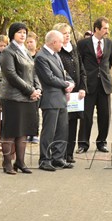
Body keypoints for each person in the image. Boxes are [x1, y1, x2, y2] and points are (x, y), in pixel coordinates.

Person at [0, 23, 41, 174]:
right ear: (12, 35)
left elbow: (34, 72)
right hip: (13, 97)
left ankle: (21, 162)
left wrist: (37, 89)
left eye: (24, 32)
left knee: (23, 131)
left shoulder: (26, 51)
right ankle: (7, 163)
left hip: (28, 97)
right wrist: (30, 90)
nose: (23, 35)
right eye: (19, 32)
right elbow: (11, 75)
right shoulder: (8, 52)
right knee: (10, 131)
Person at [34, 30, 75, 171]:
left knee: (62, 130)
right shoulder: (41, 57)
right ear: (53, 42)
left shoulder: (56, 55)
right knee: (49, 131)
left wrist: (71, 82)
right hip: (50, 99)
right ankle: (44, 159)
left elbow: (64, 74)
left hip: (61, 99)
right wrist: (66, 84)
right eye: (61, 42)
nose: (63, 45)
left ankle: (58, 158)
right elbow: (48, 78)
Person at [76, 17, 112, 153]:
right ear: (97, 29)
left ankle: (101, 142)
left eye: (107, 28)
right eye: (105, 28)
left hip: (104, 84)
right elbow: (79, 64)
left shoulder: (110, 44)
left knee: (105, 115)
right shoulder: (83, 44)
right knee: (86, 116)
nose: (107, 31)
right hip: (88, 85)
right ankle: (83, 144)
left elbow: (109, 63)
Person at [53, 22, 87, 163]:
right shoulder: (56, 51)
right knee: (62, 124)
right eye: (64, 33)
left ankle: (69, 154)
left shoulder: (74, 48)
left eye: (68, 33)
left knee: (73, 123)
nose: (67, 36)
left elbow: (81, 70)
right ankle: (59, 153)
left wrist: (83, 88)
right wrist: (65, 86)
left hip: (75, 93)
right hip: (62, 92)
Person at [25, 31, 40, 144]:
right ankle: (26, 133)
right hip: (26, 85)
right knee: (27, 111)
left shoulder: (39, 55)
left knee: (35, 111)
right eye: (27, 42)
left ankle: (34, 133)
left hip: (38, 85)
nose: (29, 44)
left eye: (31, 42)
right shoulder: (24, 55)